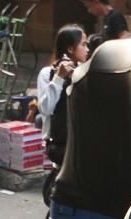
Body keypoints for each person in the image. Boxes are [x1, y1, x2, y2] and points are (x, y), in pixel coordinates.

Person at [36, 24, 88, 165]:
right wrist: (58, 78)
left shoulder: (85, 73)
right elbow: (45, 109)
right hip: (59, 144)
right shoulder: (47, 74)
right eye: (83, 44)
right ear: (70, 49)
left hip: (82, 142)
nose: (87, 49)